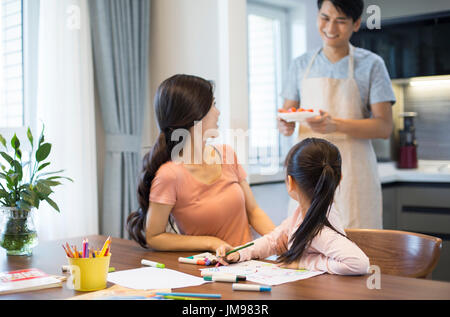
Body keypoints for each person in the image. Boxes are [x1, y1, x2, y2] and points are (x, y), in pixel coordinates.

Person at [278, 0, 396, 229]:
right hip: (309, 173)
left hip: (354, 173)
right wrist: (285, 125)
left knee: (357, 247)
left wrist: (336, 125)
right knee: (307, 246)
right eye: (325, 18)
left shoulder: (372, 64)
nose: (331, 28)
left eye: (341, 21)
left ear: (356, 23)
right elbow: (287, 115)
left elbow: (384, 127)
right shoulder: (300, 64)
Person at [127, 74, 276, 251]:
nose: (218, 112)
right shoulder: (170, 175)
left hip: (249, 264)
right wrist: (211, 242)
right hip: (207, 271)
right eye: (213, 105)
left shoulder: (227, 154)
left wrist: (280, 239)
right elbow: (154, 236)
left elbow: (254, 212)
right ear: (194, 114)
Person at [216, 138, 370, 275]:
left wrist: (302, 262)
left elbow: (359, 263)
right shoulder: (302, 216)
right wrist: (239, 253)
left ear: (290, 182)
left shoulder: (318, 230)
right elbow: (272, 241)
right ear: (339, 179)